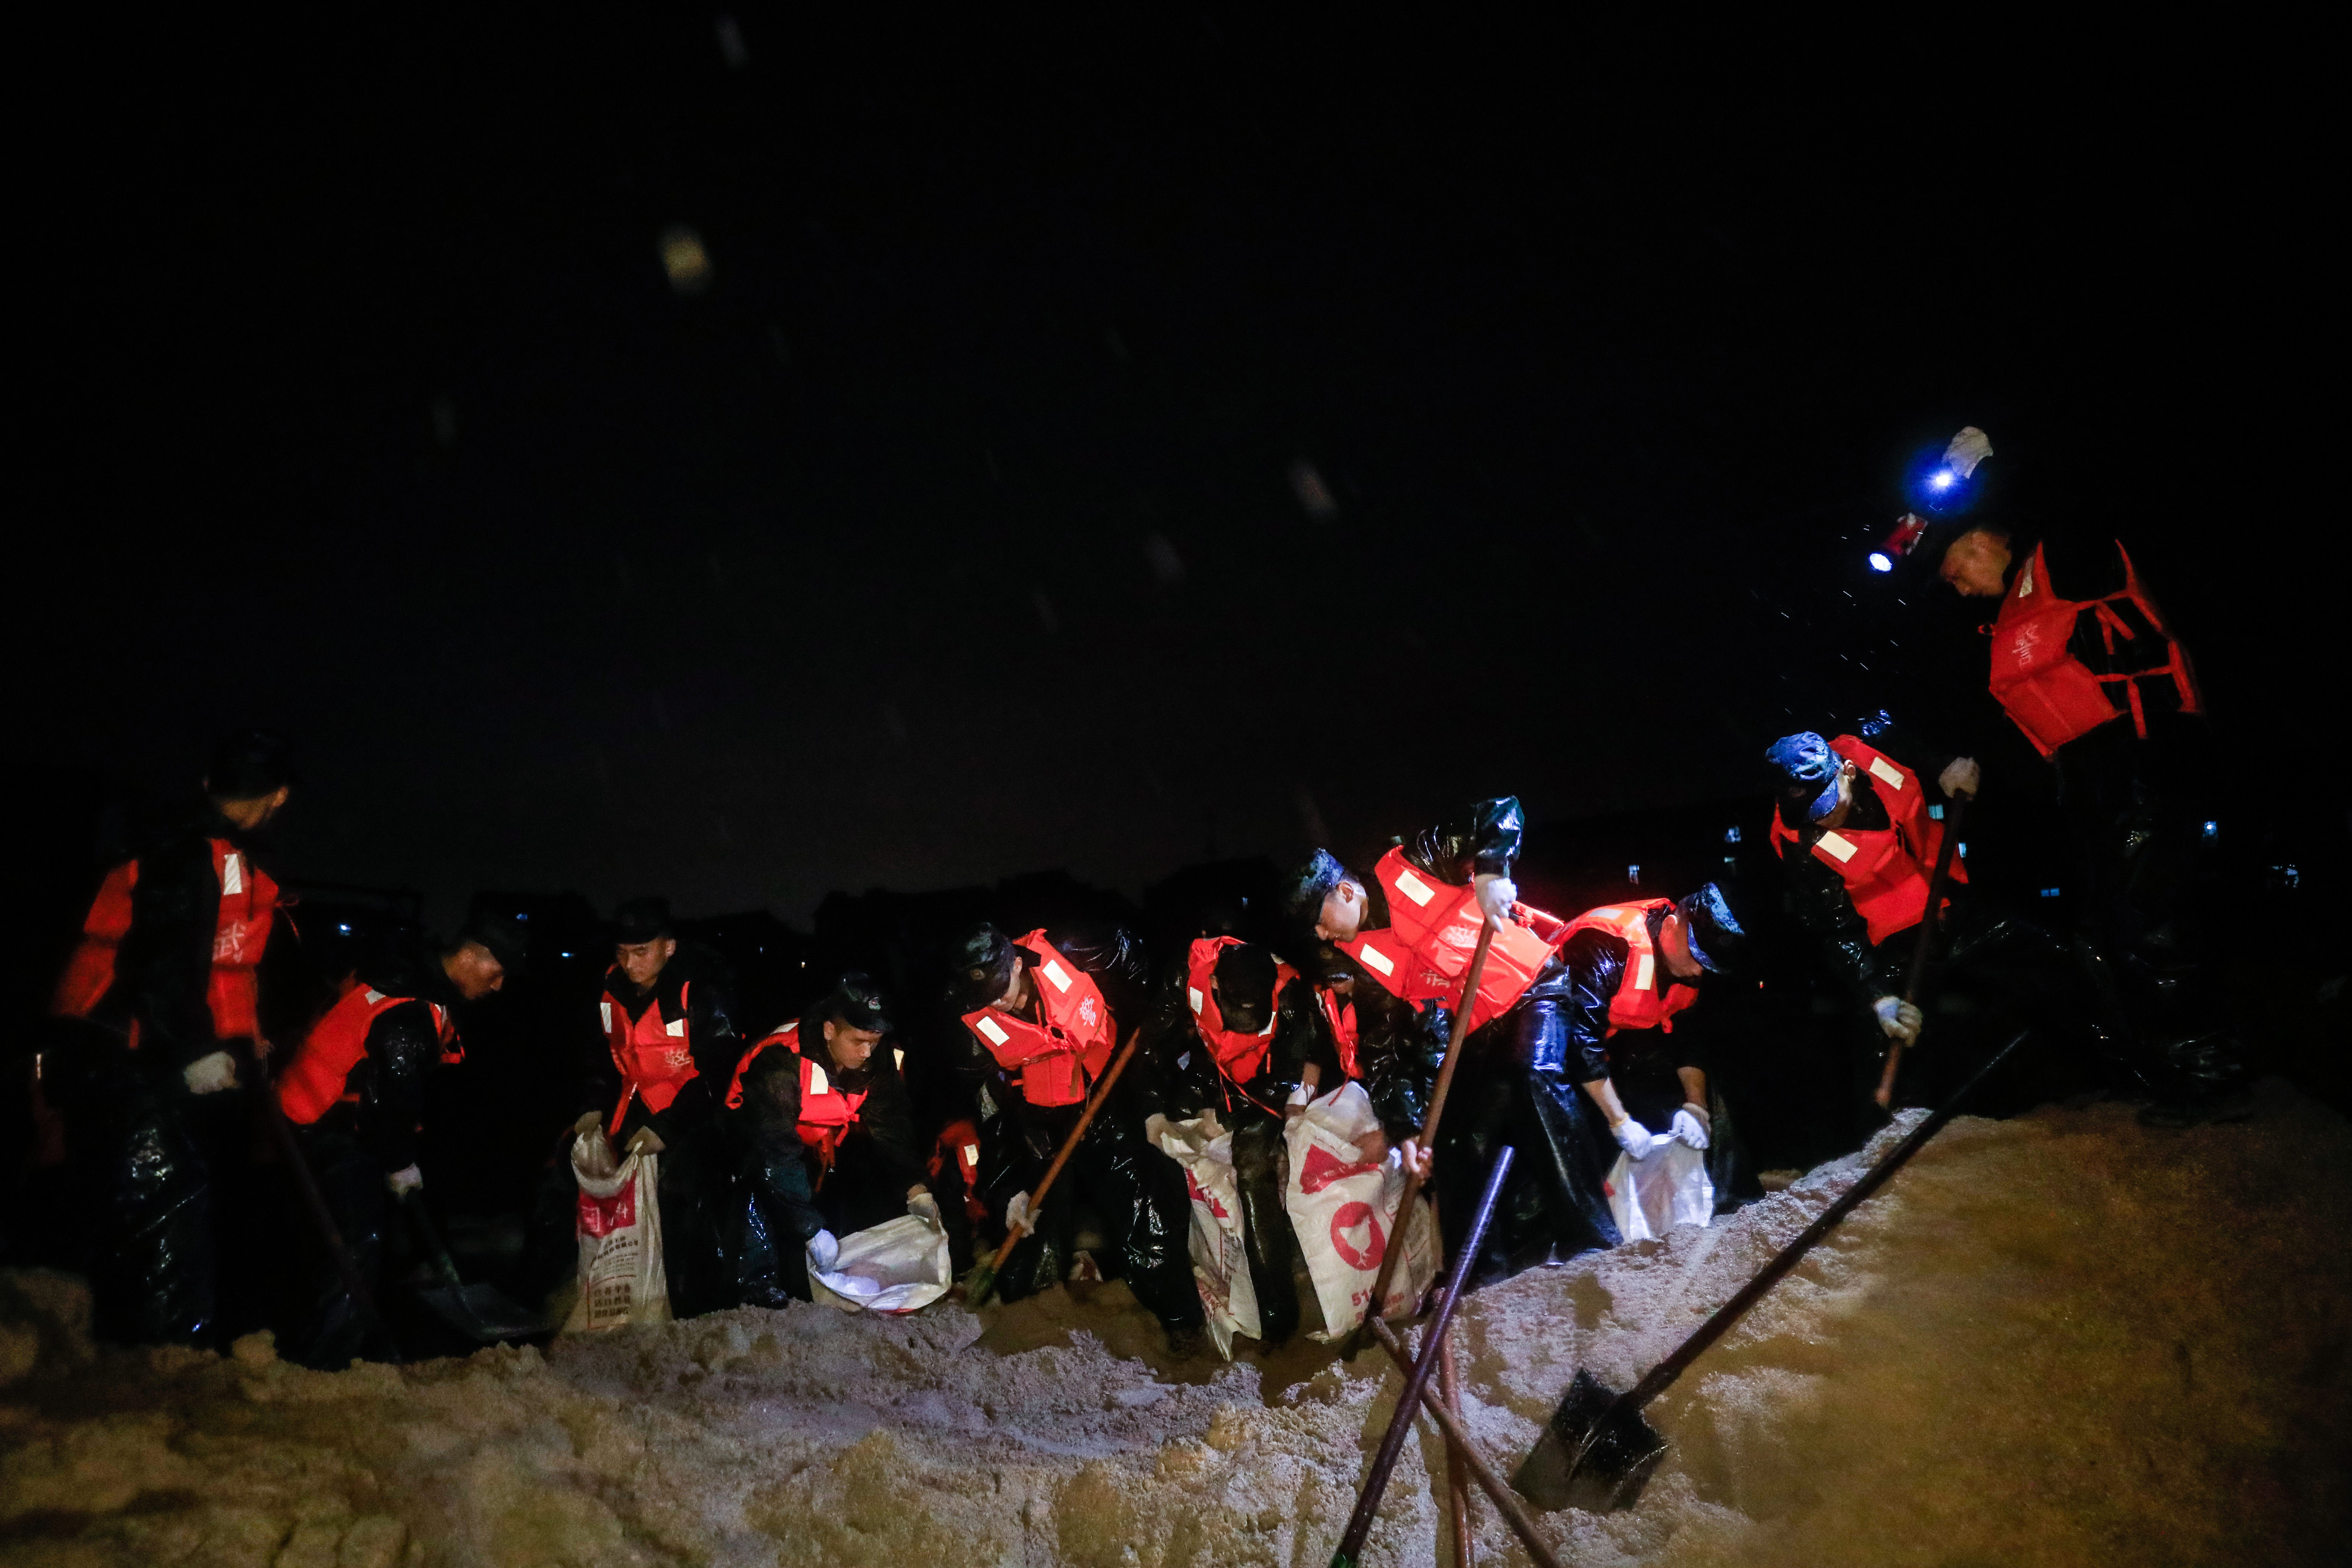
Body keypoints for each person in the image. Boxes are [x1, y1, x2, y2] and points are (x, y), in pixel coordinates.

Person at [1886, 426, 2246, 1124]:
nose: (1956, 587)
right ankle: (2145, 1072)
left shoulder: (2065, 559)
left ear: (1985, 538)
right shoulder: (2001, 623)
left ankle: (2208, 1080)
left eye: (1955, 568)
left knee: (2150, 930)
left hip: (2150, 760)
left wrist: (1982, 470)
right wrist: (1960, 768)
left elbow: (2070, 485)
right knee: (2094, 940)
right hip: (2092, 789)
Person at [1285, 798, 1741, 1284]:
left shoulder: (1411, 864)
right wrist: (1405, 1126)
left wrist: (1489, 873)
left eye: (1318, 916)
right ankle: (1479, 1273)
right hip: (1480, 1027)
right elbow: (1385, 1048)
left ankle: (1592, 1236)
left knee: (1533, 1073)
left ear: (1346, 890)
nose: (1320, 932)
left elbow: (1498, 813)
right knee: (1460, 1139)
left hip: (1534, 987)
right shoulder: (1361, 961)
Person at [47, 731, 293, 1347]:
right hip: (133, 1063)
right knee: (163, 1224)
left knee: (164, 1214)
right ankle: (150, 1374)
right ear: (280, 798)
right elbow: (161, 970)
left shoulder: (214, 851)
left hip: (150, 1059)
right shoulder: (184, 855)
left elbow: (216, 970)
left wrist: (239, 1044)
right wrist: (192, 1056)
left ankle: (144, 1345)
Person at [270, 915, 524, 1362]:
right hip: (331, 1128)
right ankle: (325, 1362)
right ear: (469, 955)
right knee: (355, 1247)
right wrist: (399, 1162)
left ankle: (317, 1342)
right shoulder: (412, 1007)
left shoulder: (403, 978)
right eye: (497, 971)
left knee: (336, 1244)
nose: (499, 986)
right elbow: (391, 1095)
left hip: (309, 1120)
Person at [949, 921, 1204, 1352]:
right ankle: (1032, 1331)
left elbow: (1135, 964)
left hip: (1108, 1095)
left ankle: (1181, 1323)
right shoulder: (970, 1024)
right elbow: (990, 1110)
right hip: (1042, 1124)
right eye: (984, 995)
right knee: (1035, 1231)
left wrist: (1145, 1026)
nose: (997, 1000)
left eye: (1000, 986)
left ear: (1016, 962)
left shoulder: (1076, 949)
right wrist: (1007, 1188)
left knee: (1142, 1210)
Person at [1140, 936, 1341, 1347]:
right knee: (1163, 1138)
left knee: (1252, 1164)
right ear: (1213, 985)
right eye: (1237, 1009)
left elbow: (1295, 1071)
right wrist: (1153, 1110)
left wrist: (1242, 1117)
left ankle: (1277, 1315)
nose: (1247, 1015)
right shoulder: (1186, 977)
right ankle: (1183, 1284)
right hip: (1214, 1069)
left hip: (1272, 1084)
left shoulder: (1290, 994)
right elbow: (1150, 1046)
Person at [1551, 888, 1758, 1229]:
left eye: (1706, 965)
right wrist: (1620, 1121)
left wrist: (1697, 1108)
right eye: (1696, 958)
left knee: (1708, 1093)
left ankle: (1734, 1203)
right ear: (1672, 925)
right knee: (1572, 1117)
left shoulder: (1687, 969)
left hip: (1620, 1039)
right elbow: (1579, 1039)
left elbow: (1688, 1035)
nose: (1697, 972)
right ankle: (1584, 1228)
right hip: (1555, 1040)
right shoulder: (1607, 946)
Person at [724, 974, 931, 1306]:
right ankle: (758, 1288)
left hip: (821, 1146)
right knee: (760, 1193)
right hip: (751, 1146)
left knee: (863, 1180)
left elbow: (891, 1124)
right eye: (859, 1041)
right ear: (829, 1030)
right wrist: (809, 1227)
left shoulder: (876, 1057)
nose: (868, 1052)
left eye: (875, 1041)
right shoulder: (782, 1061)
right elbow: (774, 1149)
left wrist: (915, 1187)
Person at [586, 896, 743, 1315]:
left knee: (681, 1203)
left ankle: (693, 1308)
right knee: (595, 1193)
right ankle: (616, 1298)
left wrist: (668, 1127)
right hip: (632, 1108)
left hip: (697, 1116)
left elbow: (721, 1072)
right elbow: (604, 1057)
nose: (630, 963)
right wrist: (593, 1108)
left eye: (642, 952)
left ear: (669, 947)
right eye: (622, 952)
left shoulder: (700, 991)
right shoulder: (611, 988)